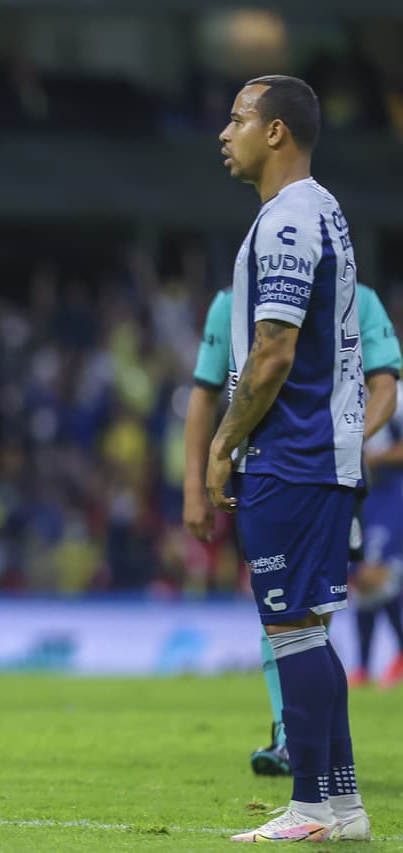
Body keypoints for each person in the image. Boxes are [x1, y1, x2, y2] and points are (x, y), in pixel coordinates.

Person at [207, 75, 369, 842]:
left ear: (276, 132)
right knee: (308, 628)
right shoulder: (325, 209)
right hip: (322, 451)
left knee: (292, 632)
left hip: (291, 450)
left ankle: (308, 808)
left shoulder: (288, 219)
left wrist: (223, 440)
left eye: (237, 119)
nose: (224, 132)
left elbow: (272, 352)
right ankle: (341, 805)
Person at [183, 281, 399, 774]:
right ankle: (293, 734)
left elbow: (386, 384)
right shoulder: (229, 302)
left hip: (334, 478)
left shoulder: (359, 299)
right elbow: (202, 395)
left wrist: (349, 436)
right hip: (258, 474)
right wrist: (194, 487)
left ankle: (305, 739)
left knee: (314, 609)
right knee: (280, 605)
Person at [353, 380, 403, 688]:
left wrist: (376, 458)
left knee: (384, 574)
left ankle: (367, 665)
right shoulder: (345, 390)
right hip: (361, 495)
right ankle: (363, 666)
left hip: (391, 494)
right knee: (364, 577)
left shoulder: (396, 394)